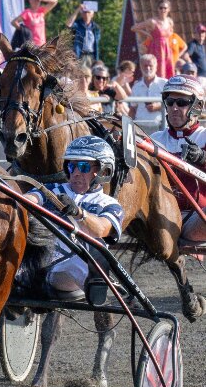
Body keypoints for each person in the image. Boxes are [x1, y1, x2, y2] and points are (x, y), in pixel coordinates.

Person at [24, 135, 123, 298]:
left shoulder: (109, 204)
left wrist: (78, 213)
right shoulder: (52, 189)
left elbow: (100, 229)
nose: (75, 173)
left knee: (78, 262)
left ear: (103, 171)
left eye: (84, 167)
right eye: (71, 166)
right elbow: (27, 200)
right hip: (38, 264)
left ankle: (97, 286)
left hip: (69, 274)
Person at [149, 76, 206, 242]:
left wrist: (203, 158)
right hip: (161, 219)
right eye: (170, 102)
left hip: (197, 219)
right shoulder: (154, 139)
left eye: (181, 103)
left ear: (197, 106)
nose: (174, 108)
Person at [131, 0, 174, 79]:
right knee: (158, 71)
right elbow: (134, 28)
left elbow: (171, 33)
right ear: (157, 9)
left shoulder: (170, 22)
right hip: (156, 49)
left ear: (169, 9)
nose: (163, 10)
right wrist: (147, 34)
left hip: (167, 50)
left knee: (168, 72)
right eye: (160, 8)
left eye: (165, 8)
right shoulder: (152, 21)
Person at [129, 53, 167, 132]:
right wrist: (128, 128)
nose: (148, 68)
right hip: (140, 128)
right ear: (140, 67)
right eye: (145, 65)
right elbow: (132, 109)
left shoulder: (165, 84)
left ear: (156, 67)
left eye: (150, 65)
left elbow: (173, 104)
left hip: (160, 127)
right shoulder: (136, 86)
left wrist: (159, 106)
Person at [65, 2, 100, 67]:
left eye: (88, 12)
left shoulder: (96, 27)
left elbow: (96, 43)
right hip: (79, 55)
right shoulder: (77, 24)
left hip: (92, 56)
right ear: (81, 14)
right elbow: (68, 24)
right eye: (84, 12)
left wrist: (96, 59)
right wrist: (78, 9)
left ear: (92, 15)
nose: (86, 14)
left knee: (93, 72)